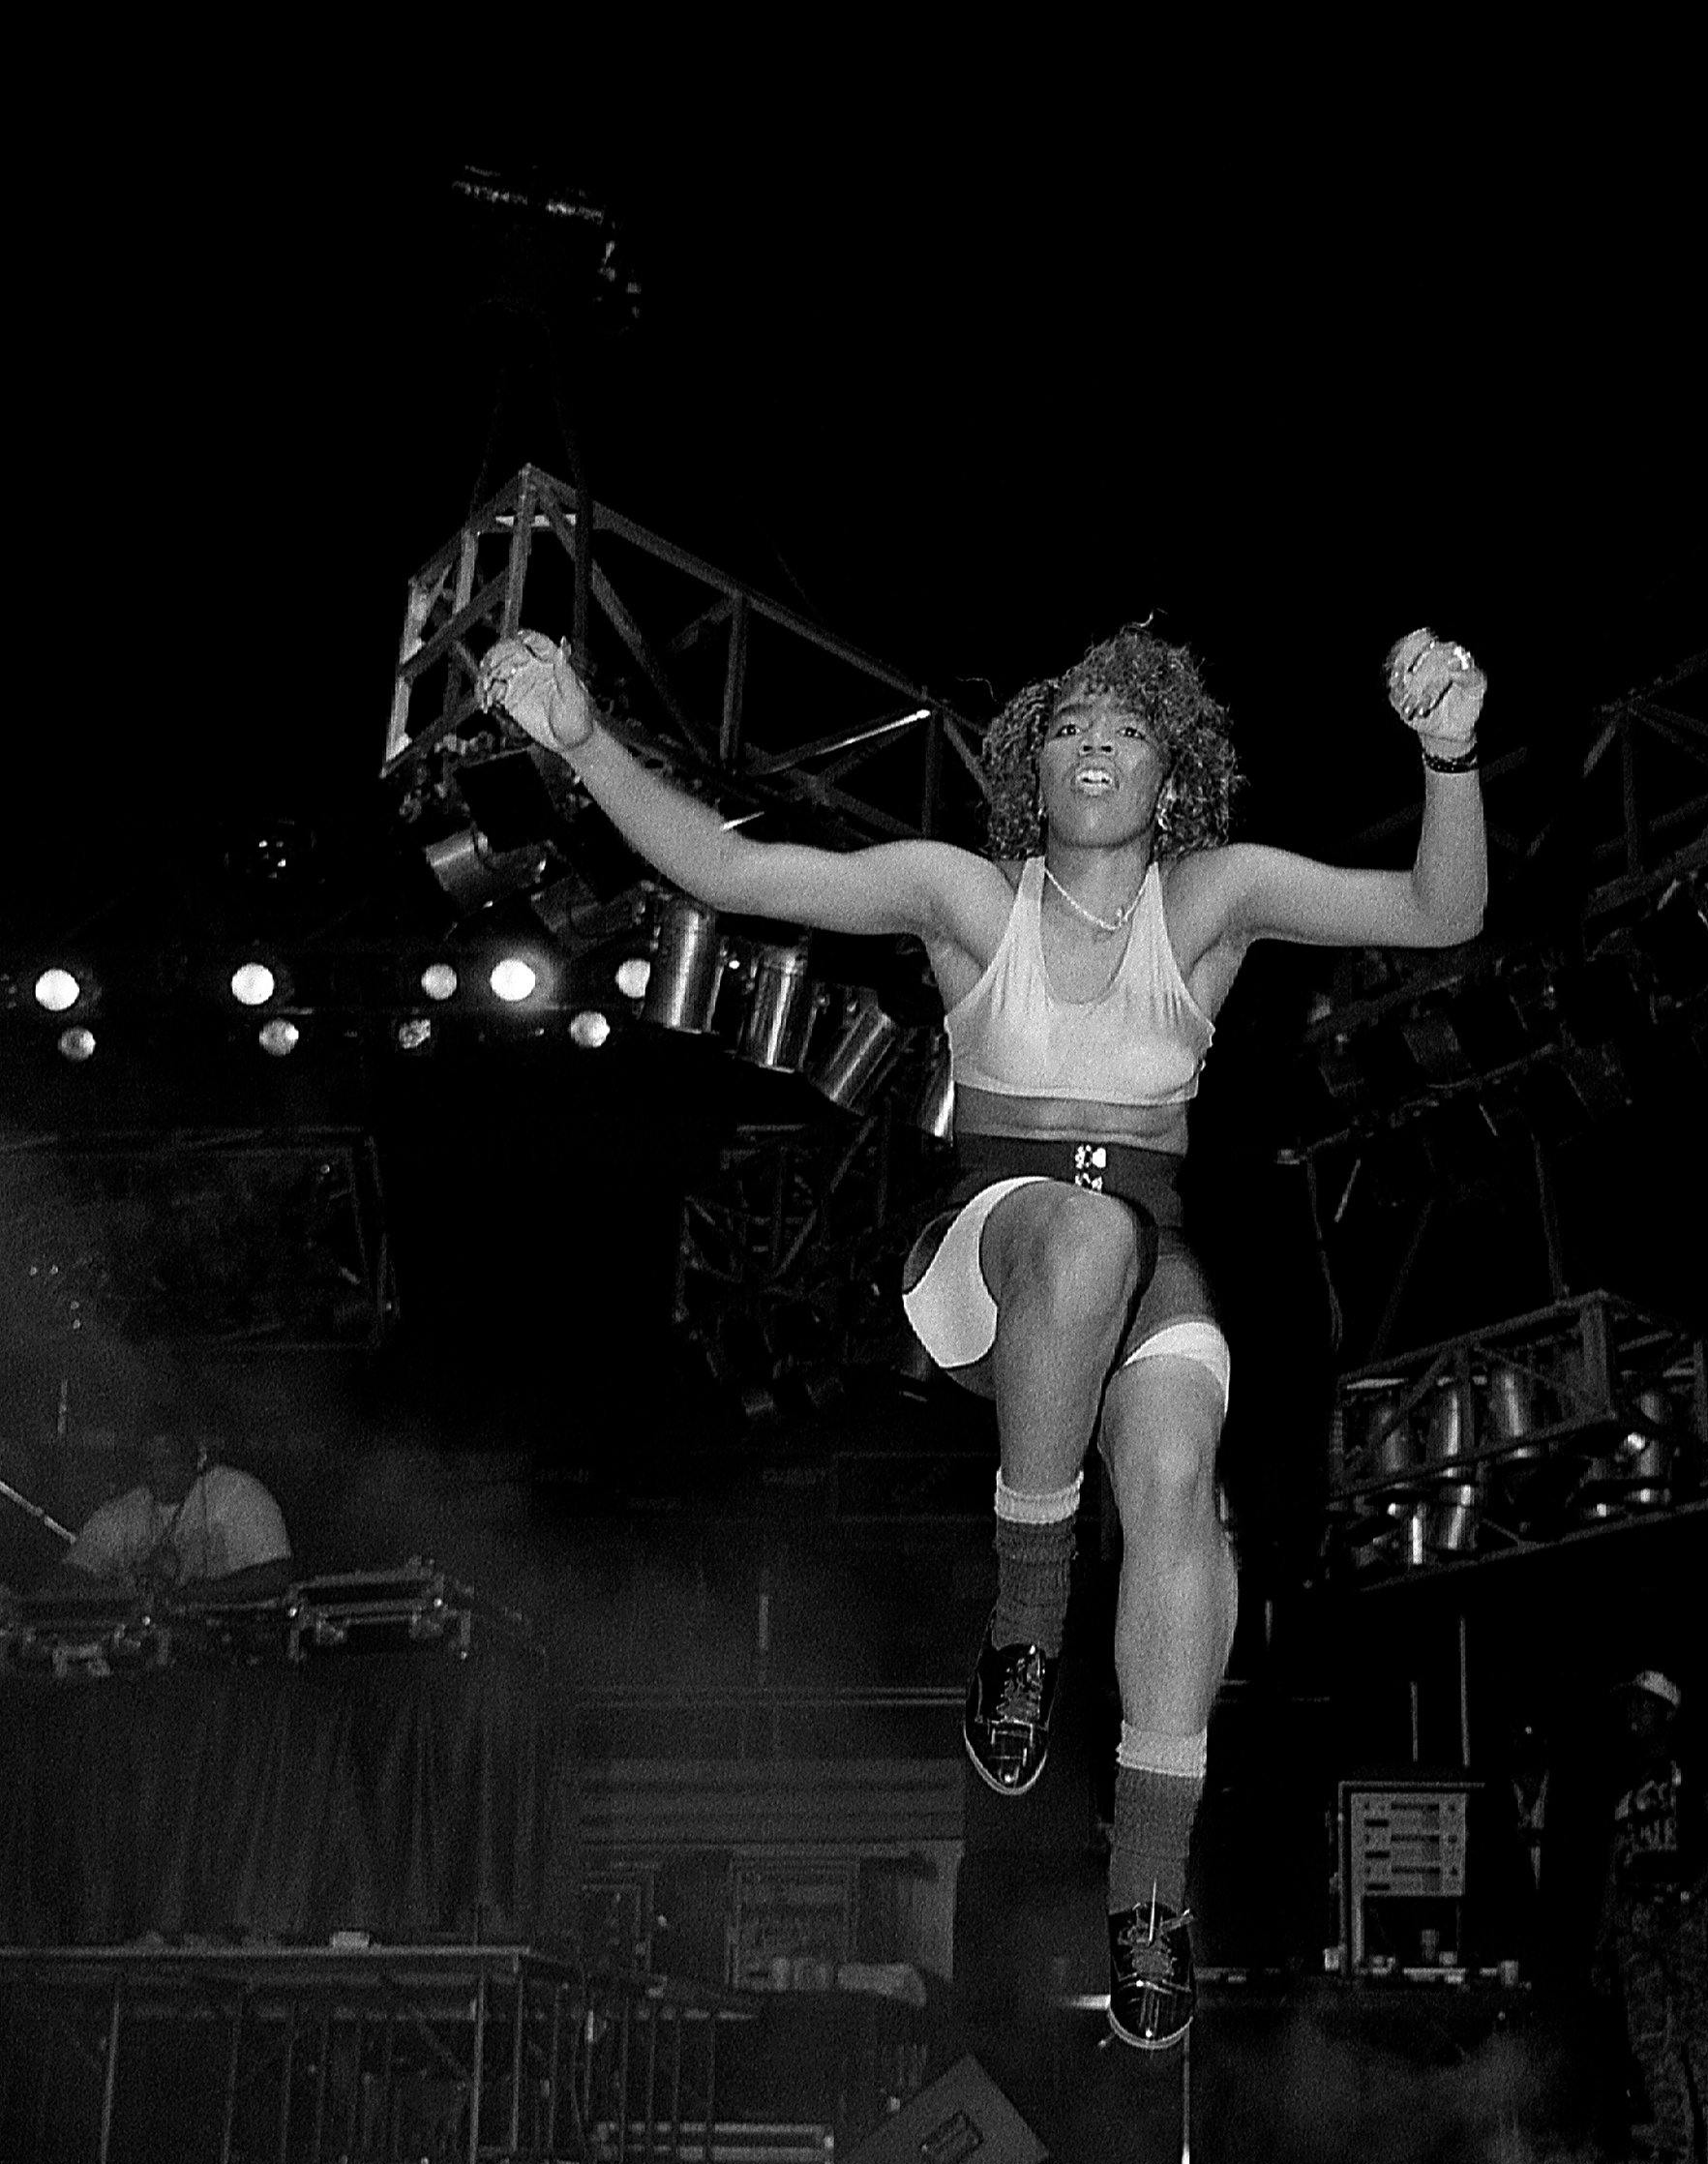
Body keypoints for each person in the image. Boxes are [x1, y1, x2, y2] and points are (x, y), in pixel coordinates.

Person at [480, 616, 1487, 2052]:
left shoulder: (1215, 898)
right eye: (1071, 719)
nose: (1095, 739)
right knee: (1084, 1238)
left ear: (1174, 774)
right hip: (995, 1255)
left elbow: (1442, 913)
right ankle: (1026, 1613)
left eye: (1128, 727)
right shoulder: (962, 894)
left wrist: (1447, 754)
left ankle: (1148, 1896)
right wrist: (577, 737)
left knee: (1185, 1492)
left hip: (1156, 1248)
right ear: (1031, 761)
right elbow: (728, 869)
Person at [1592, 1668, 1708, 2164]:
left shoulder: (1696, 1766)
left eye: (1643, 1704)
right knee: (1650, 2039)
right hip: (1639, 1918)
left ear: (1666, 1711)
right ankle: (1675, 2155)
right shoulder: (1626, 1776)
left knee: (1700, 2032)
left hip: (1683, 1915)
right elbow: (1617, 1859)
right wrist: (1605, 1938)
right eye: (1629, 1705)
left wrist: (1693, 1895)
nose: (1633, 1714)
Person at [64, 1418, 292, 1599]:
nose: (157, 1473)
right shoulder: (124, 1511)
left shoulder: (237, 1493)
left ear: (198, 1457)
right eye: (149, 1463)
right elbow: (71, 1575)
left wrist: (196, 1595)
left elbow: (276, 1576)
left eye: (167, 1461)